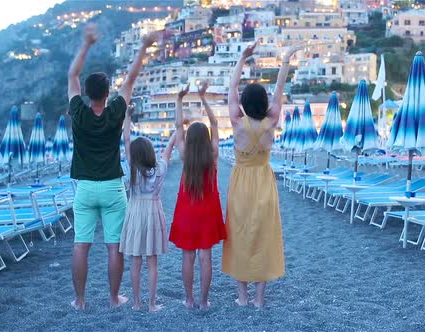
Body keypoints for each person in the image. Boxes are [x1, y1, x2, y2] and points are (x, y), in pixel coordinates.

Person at [67, 22, 161, 310]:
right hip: (111, 186)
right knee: (113, 246)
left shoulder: (79, 112)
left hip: (84, 186)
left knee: (81, 245)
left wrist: (86, 44)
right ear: (108, 93)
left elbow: (72, 74)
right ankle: (113, 297)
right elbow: (131, 78)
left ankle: (80, 301)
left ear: (86, 93)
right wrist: (144, 47)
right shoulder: (116, 111)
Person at [221, 41, 303, 308]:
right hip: (264, 182)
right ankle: (258, 299)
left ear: (245, 103)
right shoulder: (272, 121)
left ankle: (242, 297)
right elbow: (280, 90)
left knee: (240, 235)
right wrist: (286, 60)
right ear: (264, 102)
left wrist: (242, 58)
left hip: (241, 183)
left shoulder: (237, 121)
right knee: (264, 237)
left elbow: (232, 88)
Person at [169, 82, 226, 311]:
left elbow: (177, 128)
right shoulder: (212, 154)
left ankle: (189, 299)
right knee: (205, 257)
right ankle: (204, 301)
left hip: (187, 209)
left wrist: (179, 100)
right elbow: (213, 122)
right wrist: (203, 97)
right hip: (208, 211)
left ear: (190, 141)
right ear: (205, 139)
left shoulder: (184, 155)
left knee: (188, 257)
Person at [119, 104, 176, 313]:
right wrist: (178, 129)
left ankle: (136, 302)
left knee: (135, 260)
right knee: (152, 261)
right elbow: (169, 148)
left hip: (135, 213)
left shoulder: (132, 169)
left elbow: (126, 140)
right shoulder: (159, 170)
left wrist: (127, 117)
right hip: (153, 214)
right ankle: (152, 304)